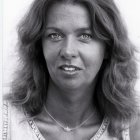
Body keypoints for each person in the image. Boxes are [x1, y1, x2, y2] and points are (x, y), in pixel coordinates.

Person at [2, 0, 140, 139]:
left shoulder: (132, 128)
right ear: (39, 46)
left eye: (85, 36)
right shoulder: (6, 122)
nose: (68, 51)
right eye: (55, 35)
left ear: (108, 48)